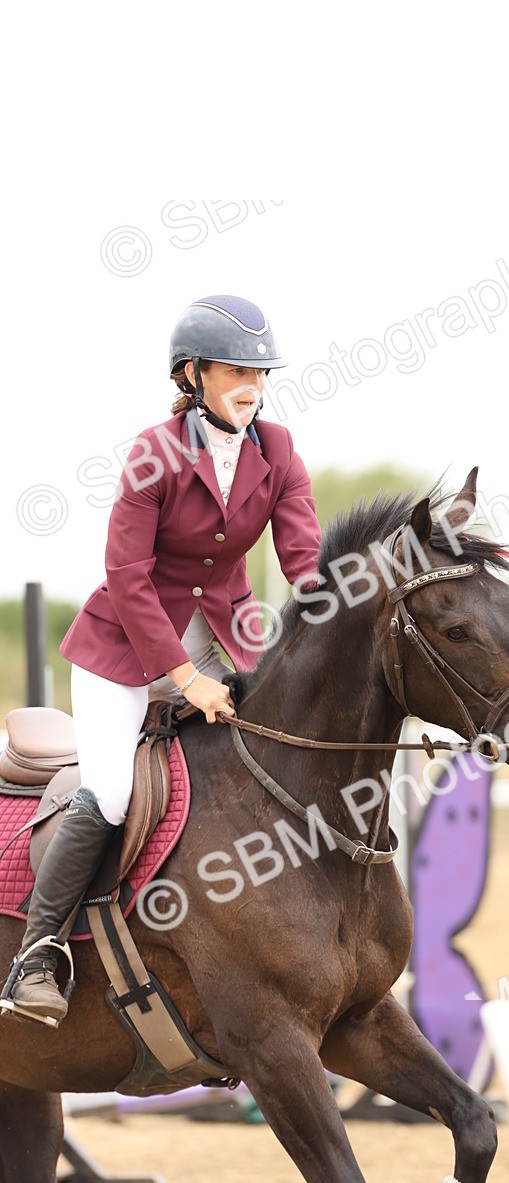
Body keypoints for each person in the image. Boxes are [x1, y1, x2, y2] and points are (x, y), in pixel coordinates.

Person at [5, 294, 322, 1022]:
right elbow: (127, 575)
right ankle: (37, 955)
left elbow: (303, 561)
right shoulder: (155, 452)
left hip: (226, 632)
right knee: (113, 793)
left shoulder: (279, 451)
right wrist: (183, 678)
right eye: (237, 369)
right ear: (193, 375)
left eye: (261, 371)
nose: (253, 384)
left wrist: (329, 620)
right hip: (125, 646)